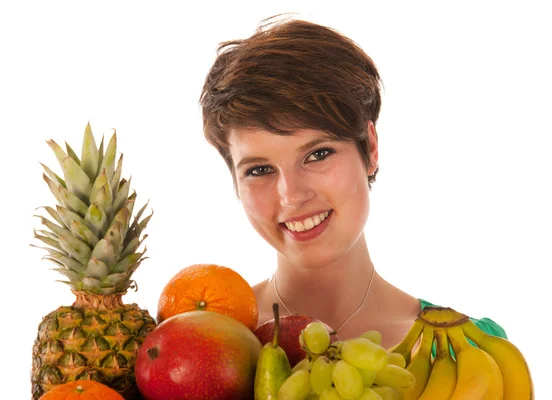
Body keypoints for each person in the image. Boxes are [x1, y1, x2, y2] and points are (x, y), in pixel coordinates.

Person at [199, 16, 505, 349]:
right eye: (259, 170)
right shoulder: (197, 344)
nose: (292, 196)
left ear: (370, 147)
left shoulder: (473, 351)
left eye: (318, 154)